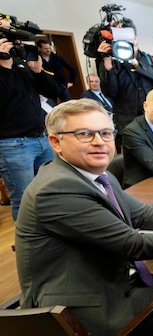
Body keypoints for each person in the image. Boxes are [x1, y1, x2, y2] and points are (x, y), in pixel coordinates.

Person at [16, 98, 153, 336]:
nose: (99, 141)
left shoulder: (97, 175)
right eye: (84, 133)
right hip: (81, 314)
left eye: (105, 133)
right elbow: (131, 243)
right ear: (56, 142)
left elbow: (142, 214)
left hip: (111, 284)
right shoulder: (57, 188)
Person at [0, 33, 59, 221]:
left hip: (41, 137)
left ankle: (54, 234)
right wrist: (4, 69)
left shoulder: (20, 64)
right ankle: (30, 244)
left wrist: (38, 72)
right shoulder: (5, 68)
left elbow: (52, 92)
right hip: (13, 144)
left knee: (52, 190)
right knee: (24, 196)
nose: (15, 45)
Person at [96, 22, 153, 151]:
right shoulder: (111, 62)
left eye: (127, 35)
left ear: (136, 39)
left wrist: (136, 65)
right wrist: (108, 66)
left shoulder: (150, 60)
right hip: (127, 123)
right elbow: (111, 92)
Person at [36, 39, 76, 103]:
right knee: (52, 107)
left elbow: (72, 69)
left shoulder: (57, 58)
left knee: (69, 104)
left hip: (61, 86)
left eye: (49, 48)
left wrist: (71, 82)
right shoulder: (36, 60)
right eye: (45, 48)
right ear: (39, 48)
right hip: (47, 89)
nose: (48, 50)